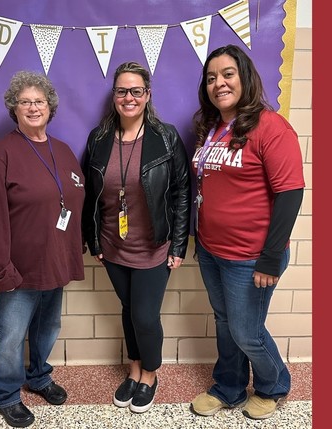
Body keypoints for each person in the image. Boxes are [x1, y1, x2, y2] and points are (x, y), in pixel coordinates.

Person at [187, 45, 304, 421]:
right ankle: (230, 387)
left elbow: (290, 193)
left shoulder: (271, 126)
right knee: (225, 323)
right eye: (211, 77)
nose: (218, 83)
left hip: (252, 256)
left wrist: (269, 258)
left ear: (246, 77)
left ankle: (274, 386)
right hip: (211, 249)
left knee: (246, 331)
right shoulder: (215, 128)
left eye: (227, 74)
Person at [0, 71, 85, 428]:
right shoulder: (0, 155)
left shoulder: (64, 151)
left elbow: (72, 201)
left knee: (46, 328)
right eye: (25, 102)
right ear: (14, 109)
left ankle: (38, 376)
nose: (33, 107)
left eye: (39, 101)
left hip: (56, 263)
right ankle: (6, 394)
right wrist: (1, 269)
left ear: (50, 107)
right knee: (10, 336)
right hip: (18, 269)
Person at [81, 61, 190, 414]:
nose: (129, 97)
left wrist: (178, 245)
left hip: (155, 245)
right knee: (128, 310)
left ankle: (150, 374)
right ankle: (133, 370)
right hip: (113, 245)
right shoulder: (98, 138)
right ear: (114, 96)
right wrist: (94, 240)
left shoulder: (166, 136)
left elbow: (182, 193)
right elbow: (88, 192)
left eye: (136, 91)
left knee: (145, 315)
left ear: (147, 95)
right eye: (122, 91)